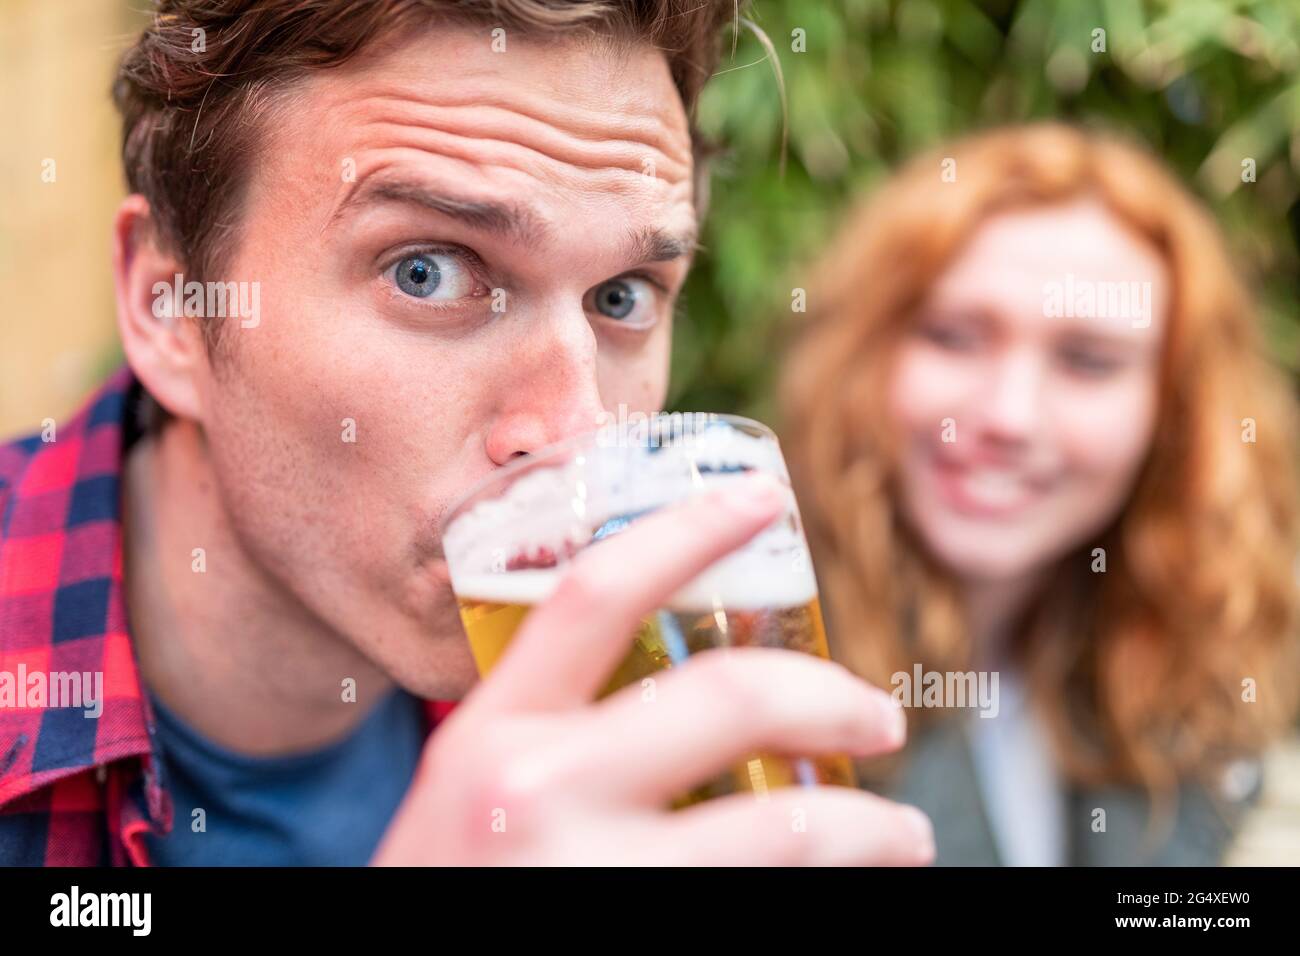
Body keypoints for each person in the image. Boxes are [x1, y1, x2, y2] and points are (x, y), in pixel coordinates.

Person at [0, 0, 935, 867]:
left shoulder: (626, 696)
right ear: (170, 310)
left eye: (621, 298)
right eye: (428, 273)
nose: (575, 435)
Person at [782, 122, 1300, 865]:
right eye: (955, 336)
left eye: (1089, 362)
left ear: (1173, 414)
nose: (1008, 417)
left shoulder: (1197, 660)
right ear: (864, 355)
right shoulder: (736, 651)